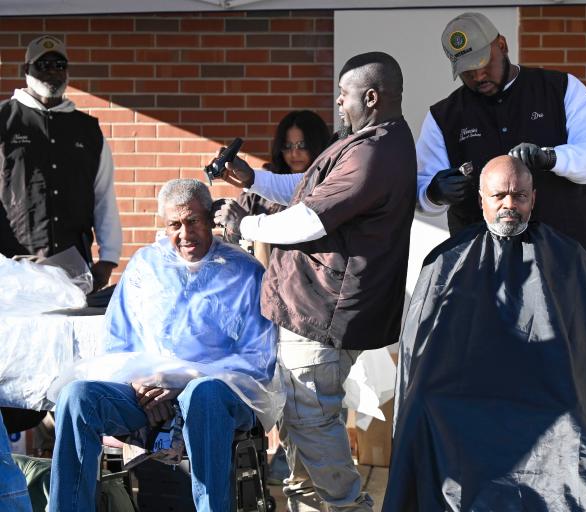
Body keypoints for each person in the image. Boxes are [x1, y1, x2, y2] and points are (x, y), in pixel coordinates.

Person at [384, 155, 586, 511]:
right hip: (465, 390)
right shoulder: (446, 260)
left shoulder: (567, 257)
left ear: (533, 199)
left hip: (549, 388)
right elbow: (423, 351)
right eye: (499, 196)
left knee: (571, 416)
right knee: (422, 406)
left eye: (519, 196)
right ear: (481, 201)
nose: (510, 205)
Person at [213, 51, 415, 512]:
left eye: (344, 96)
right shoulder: (366, 141)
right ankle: (315, 503)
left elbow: (308, 220)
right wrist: (254, 179)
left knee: (309, 417)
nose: (339, 105)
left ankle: (347, 506)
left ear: (370, 96)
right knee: (299, 418)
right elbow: (308, 189)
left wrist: (243, 226)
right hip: (313, 307)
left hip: (324, 309)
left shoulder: (375, 152)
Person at [47, 178, 280, 512]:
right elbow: (117, 340)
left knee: (203, 394)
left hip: (219, 396)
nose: (184, 233)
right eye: (174, 224)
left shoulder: (244, 272)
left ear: (211, 218)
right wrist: (139, 382)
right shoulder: (145, 265)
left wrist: (182, 381)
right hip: (145, 390)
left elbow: (258, 361)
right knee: (77, 398)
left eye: (193, 221)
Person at [417, 12, 586, 268]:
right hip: (483, 270)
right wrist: (434, 193)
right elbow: (421, 193)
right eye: (467, 71)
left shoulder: (560, 89)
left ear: (502, 45)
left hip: (567, 265)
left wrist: (552, 158)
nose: (478, 77)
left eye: (484, 63)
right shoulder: (443, 117)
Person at [0, 35, 121, 290]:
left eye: (59, 65)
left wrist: (108, 258)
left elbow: (103, 195)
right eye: (42, 65)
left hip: (73, 266)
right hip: (12, 268)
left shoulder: (87, 131)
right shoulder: (4, 121)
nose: (52, 72)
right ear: (26, 70)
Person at [237, 110, 331, 267]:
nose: (294, 153)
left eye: (303, 145)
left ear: (317, 145)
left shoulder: (329, 184)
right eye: (287, 146)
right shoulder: (259, 189)